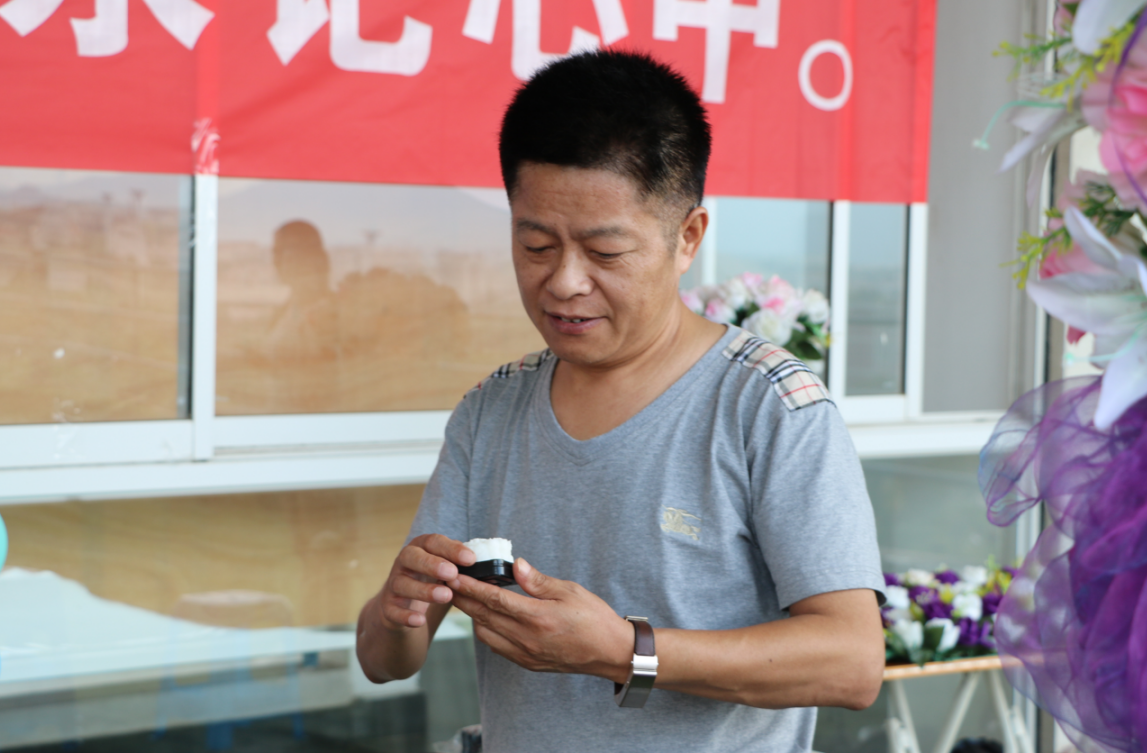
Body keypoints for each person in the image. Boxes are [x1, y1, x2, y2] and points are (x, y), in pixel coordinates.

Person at [356, 51, 886, 752]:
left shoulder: (769, 407)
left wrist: (623, 651)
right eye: (536, 245)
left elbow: (853, 662)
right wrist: (395, 612)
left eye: (605, 254)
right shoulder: (492, 410)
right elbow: (386, 661)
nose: (564, 282)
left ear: (687, 238)